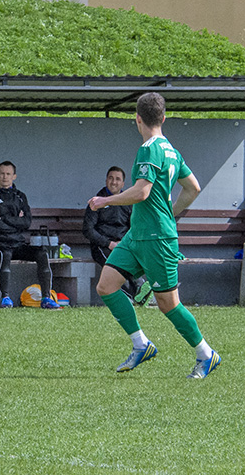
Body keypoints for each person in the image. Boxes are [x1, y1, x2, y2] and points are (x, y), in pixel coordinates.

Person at [88, 92, 221, 378]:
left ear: (137, 119)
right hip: (138, 235)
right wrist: (171, 212)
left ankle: (206, 354)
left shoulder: (149, 149)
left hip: (157, 239)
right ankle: (141, 344)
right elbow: (193, 188)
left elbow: (141, 191)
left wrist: (105, 201)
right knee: (106, 286)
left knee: (168, 304)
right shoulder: (171, 150)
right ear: (163, 117)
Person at [0, 161, 60, 309]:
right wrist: (15, 221)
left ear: (14, 176)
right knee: (5, 254)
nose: (5, 177)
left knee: (41, 253)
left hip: (17, 242)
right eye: (2, 174)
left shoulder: (20, 196)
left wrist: (4, 218)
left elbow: (26, 222)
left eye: (8, 174)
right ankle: (5, 298)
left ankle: (46, 298)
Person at [83, 166, 152, 305]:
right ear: (106, 180)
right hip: (102, 246)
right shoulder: (98, 201)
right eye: (111, 178)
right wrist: (110, 243)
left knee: (139, 256)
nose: (114, 182)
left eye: (117, 179)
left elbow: (134, 226)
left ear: (123, 184)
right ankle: (138, 292)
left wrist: (126, 242)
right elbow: (87, 230)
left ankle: (142, 289)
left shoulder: (128, 202)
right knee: (115, 266)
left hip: (123, 244)